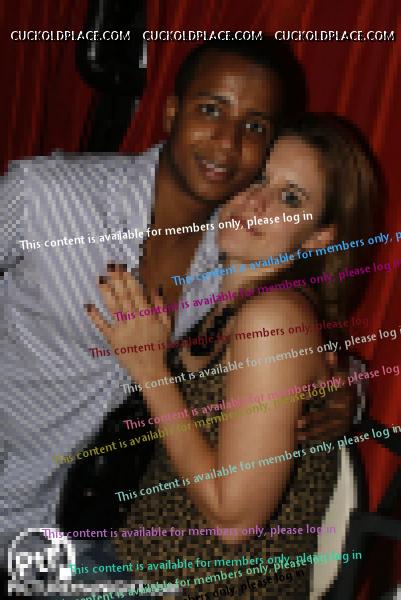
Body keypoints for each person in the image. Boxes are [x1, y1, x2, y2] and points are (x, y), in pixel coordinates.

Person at [0, 38, 351, 594]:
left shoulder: (230, 249)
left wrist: (344, 394)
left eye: (253, 126)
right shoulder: (44, 195)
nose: (227, 142)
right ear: (171, 112)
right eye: (211, 109)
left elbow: (280, 356)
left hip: (82, 537)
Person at [87, 113, 380, 599]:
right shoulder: (219, 295)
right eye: (259, 177)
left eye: (290, 198)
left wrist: (152, 372)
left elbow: (234, 520)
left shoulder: (273, 318)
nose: (256, 202)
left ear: (318, 236)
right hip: (135, 562)